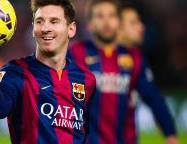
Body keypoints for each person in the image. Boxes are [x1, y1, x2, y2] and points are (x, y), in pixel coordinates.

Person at [0, 0, 96, 143]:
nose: (45, 28)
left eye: (54, 21)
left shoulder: (86, 79)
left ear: (71, 29)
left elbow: (89, 133)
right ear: (32, 29)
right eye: (39, 22)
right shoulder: (16, 72)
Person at [68, 0, 177, 144]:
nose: (106, 22)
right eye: (100, 16)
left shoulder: (134, 58)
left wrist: (170, 134)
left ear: (119, 22)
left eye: (111, 16)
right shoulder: (76, 53)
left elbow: (154, 99)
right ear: (90, 25)